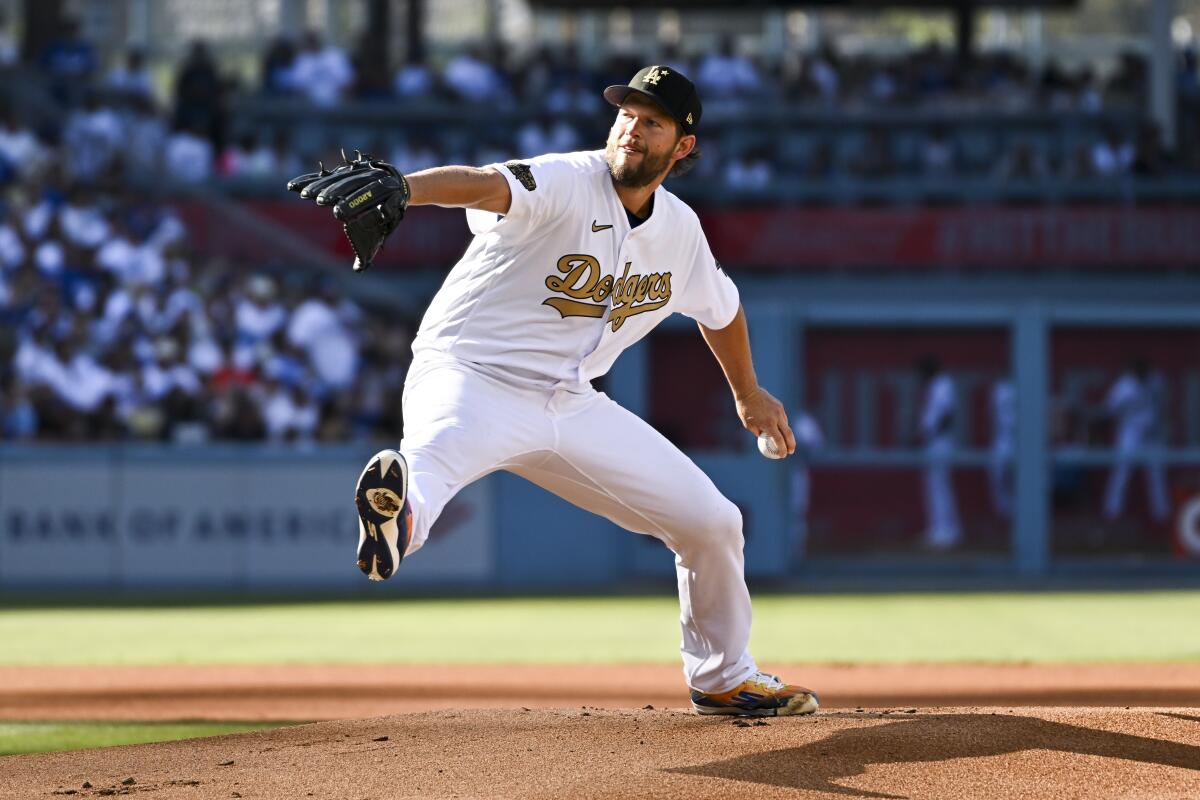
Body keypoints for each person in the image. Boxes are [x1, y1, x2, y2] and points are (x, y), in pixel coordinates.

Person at [339, 66, 817, 717]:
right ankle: (396, 522)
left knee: (713, 523)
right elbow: (484, 184)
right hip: (471, 375)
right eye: (626, 114)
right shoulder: (568, 180)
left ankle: (723, 677)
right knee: (426, 468)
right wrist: (406, 187)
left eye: (652, 122)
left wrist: (748, 392)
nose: (631, 129)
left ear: (683, 147)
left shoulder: (679, 232)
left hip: (571, 401)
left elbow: (721, 309)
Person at [1102, 358, 1169, 523]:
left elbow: (1163, 403)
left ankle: (1162, 515)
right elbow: (1110, 409)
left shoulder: (1155, 380)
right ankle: (1112, 512)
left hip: (1151, 434)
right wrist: (1126, 412)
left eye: (1144, 371)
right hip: (1131, 433)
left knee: (1156, 475)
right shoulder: (1124, 386)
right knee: (1122, 472)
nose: (1142, 374)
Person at [916, 356, 960, 550]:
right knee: (934, 487)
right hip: (932, 441)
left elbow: (946, 416)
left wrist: (927, 434)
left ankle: (947, 532)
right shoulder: (936, 385)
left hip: (940, 442)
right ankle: (938, 529)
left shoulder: (944, 384)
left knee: (940, 486)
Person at [788, 411, 823, 565]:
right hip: (764, 475)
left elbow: (816, 447)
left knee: (797, 515)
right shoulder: (756, 410)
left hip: (796, 474)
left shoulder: (803, 421)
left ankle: (796, 557)